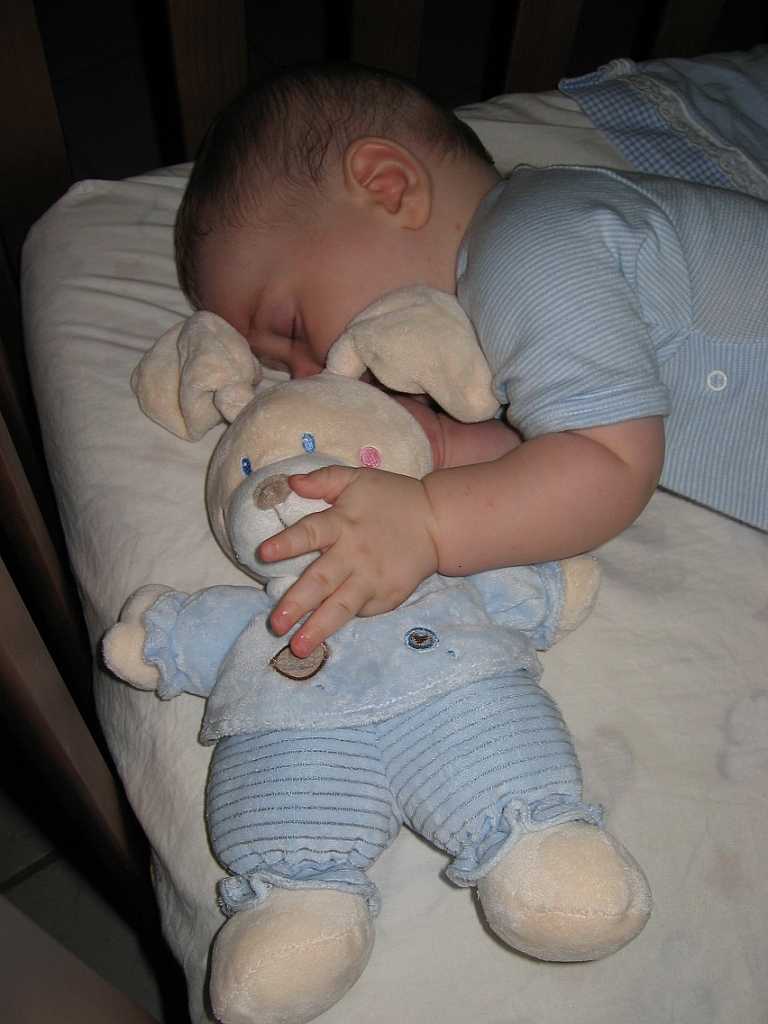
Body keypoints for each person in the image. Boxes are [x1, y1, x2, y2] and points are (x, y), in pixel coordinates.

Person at [175, 60, 768, 659]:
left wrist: (430, 523)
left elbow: (609, 462)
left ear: (388, 185)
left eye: (292, 326)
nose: (309, 374)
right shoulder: (501, 304)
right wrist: (442, 445)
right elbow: (554, 448)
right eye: (280, 366)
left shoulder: (527, 249)